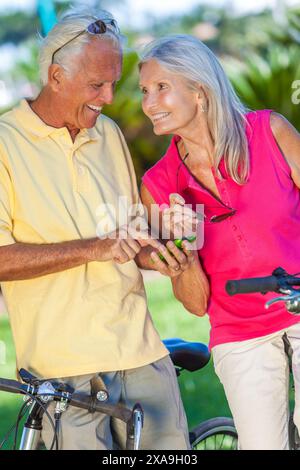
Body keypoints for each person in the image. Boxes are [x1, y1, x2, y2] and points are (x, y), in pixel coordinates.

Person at [0, 11, 191, 450]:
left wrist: (158, 253)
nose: (108, 97)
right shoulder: (6, 142)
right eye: (96, 85)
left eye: (113, 83)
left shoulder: (107, 134)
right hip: (62, 370)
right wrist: (96, 248)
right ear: (55, 76)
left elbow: (127, 237)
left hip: (142, 353)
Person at [138, 34, 300, 450]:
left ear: (200, 91)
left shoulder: (270, 132)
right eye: (144, 91)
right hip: (239, 332)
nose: (149, 102)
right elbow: (193, 303)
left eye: (161, 88)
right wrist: (186, 249)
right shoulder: (158, 185)